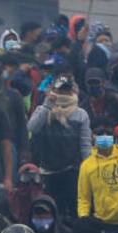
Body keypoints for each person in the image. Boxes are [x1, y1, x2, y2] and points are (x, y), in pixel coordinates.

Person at [27, 75, 91, 216]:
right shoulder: (42, 109)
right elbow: (32, 128)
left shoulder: (80, 114)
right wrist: (47, 105)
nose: (63, 94)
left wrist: (88, 170)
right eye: (59, 90)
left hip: (72, 171)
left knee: (74, 210)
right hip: (48, 172)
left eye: (66, 90)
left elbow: (85, 145)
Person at [76, 116, 118, 233]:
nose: (104, 136)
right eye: (99, 133)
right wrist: (84, 219)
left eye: (108, 133)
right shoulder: (87, 164)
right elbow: (83, 198)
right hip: (103, 225)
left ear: (113, 135)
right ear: (92, 136)